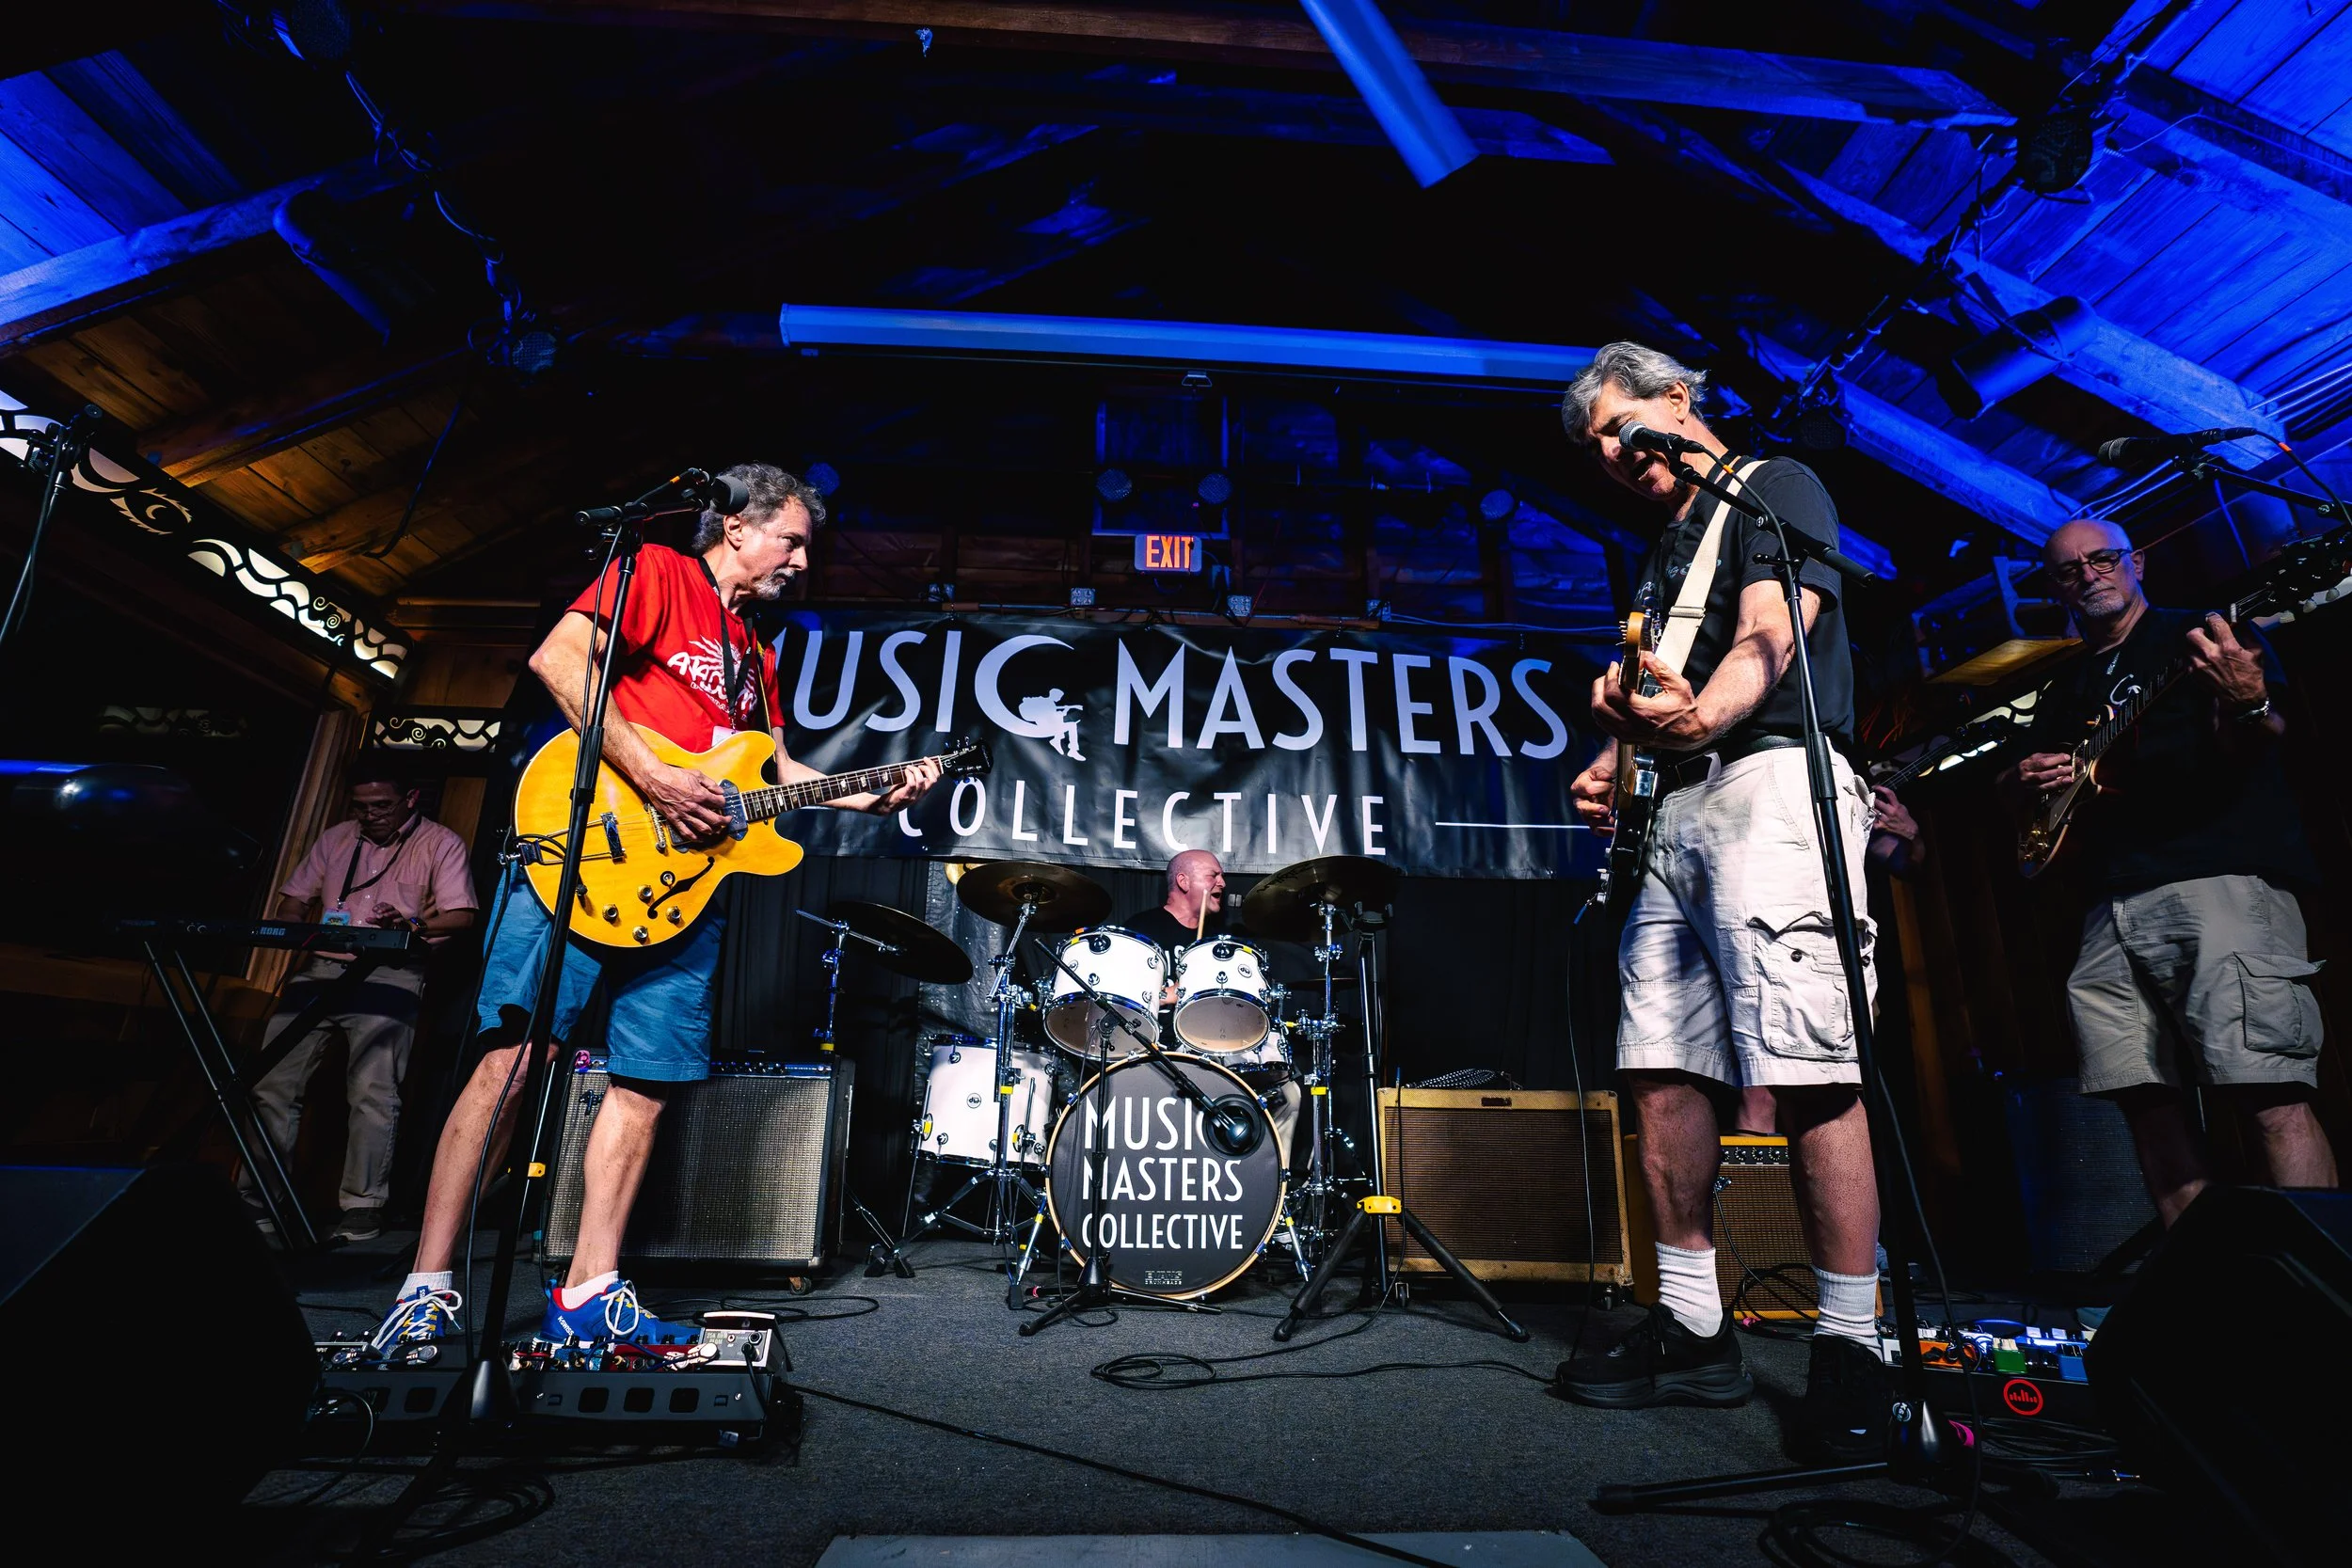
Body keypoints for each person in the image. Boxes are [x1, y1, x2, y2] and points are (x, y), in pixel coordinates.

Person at [368, 465, 943, 1357]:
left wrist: (869, 794)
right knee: (514, 1066)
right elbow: (560, 661)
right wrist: (656, 778)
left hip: (683, 895)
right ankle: (427, 1285)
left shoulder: (757, 652)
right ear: (736, 527)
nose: (800, 560)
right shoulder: (660, 574)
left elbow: (772, 774)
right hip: (588, 850)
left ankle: (591, 1291)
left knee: (645, 1088)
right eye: (791, 539)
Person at [1554, 342, 1890, 1464]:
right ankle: (1695, 1322)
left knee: (1808, 1059)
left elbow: (1763, 639)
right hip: (1677, 810)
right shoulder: (1659, 556)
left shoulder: (1772, 486)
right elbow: (1661, 683)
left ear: (1677, 401)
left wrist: (1699, 722)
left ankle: (1852, 1343)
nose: (1611, 452)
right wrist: (1616, 753)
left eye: (1619, 424)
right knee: (1658, 1063)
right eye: (1596, 445)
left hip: (1769, 784)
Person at [2001, 517, 2333, 1226]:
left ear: (2137, 563)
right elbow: (2028, 794)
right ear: (2054, 586)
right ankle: (2209, 1294)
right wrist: (2030, 777)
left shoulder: (2202, 636)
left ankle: (2322, 1298)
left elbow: (2265, 734)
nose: (2089, 574)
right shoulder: (2064, 686)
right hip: (2107, 904)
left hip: (2216, 878)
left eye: (2104, 558)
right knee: (2145, 1104)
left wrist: (2250, 700)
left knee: (2265, 1086)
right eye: (2068, 569)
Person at [242, 759, 477, 1243]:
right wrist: (299, 929)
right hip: (320, 969)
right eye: (362, 807)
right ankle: (257, 1204)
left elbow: (461, 917)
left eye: (382, 806)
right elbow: (292, 900)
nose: (371, 816)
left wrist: (409, 927)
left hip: (390, 975)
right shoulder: (335, 838)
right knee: (271, 1084)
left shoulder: (439, 843)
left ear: (410, 799)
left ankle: (363, 1207)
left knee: (373, 1092)